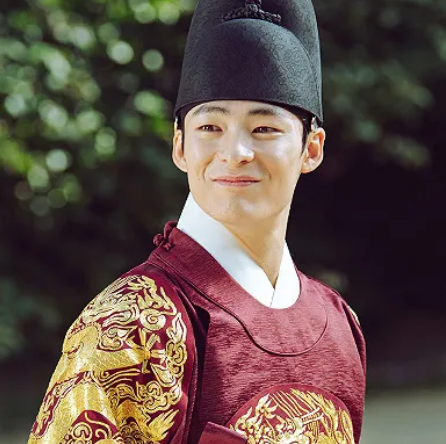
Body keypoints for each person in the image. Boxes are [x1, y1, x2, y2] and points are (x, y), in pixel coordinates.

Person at [28, 1, 366, 443]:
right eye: (210, 128)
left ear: (311, 149)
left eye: (264, 129)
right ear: (180, 146)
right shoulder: (130, 324)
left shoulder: (338, 322)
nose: (235, 153)